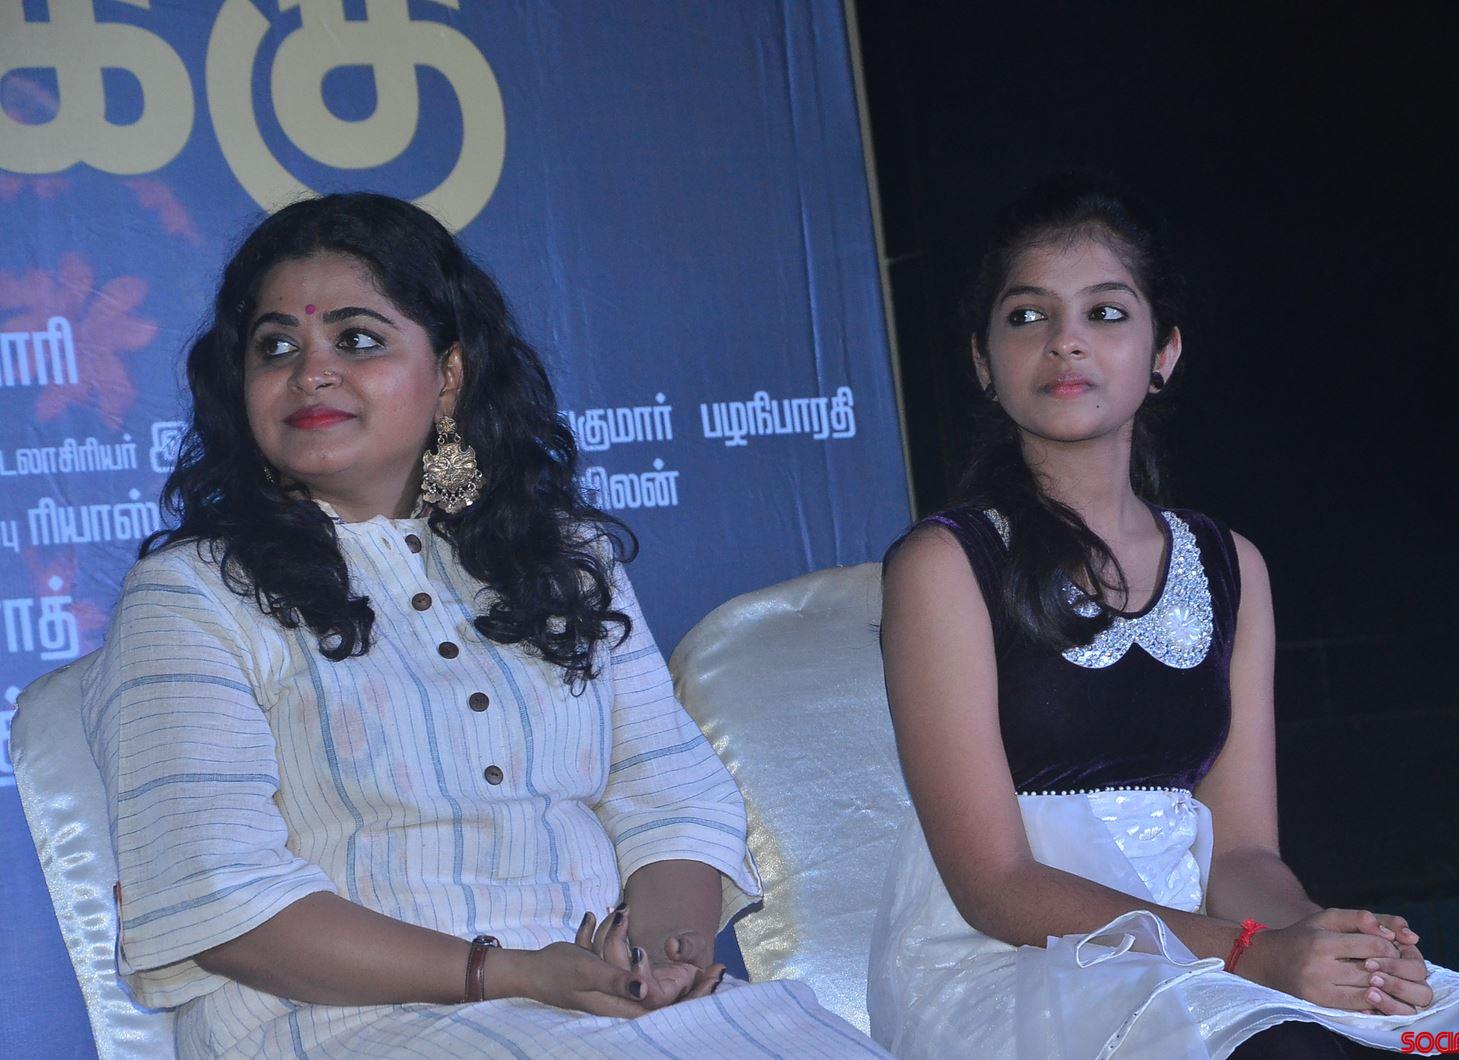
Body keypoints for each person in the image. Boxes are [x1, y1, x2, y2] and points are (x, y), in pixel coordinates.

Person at [84, 192, 886, 1058]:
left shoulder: (560, 559)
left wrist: (659, 962)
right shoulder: (192, 595)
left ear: (450, 375)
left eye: (357, 340)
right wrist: (507, 974)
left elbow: (668, 797)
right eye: (275, 347)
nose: (310, 372)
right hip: (348, 1022)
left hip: (598, 1006)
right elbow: (220, 897)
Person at [865, 175, 1459, 1058]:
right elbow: (994, 885)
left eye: (1105, 313)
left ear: (1165, 352)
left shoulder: (1231, 566)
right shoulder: (946, 565)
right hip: (1015, 968)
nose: (1066, 340)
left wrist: (1333, 945)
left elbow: (1241, 857)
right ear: (982, 362)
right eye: (1028, 316)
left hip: (1210, 953)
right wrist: (1253, 954)